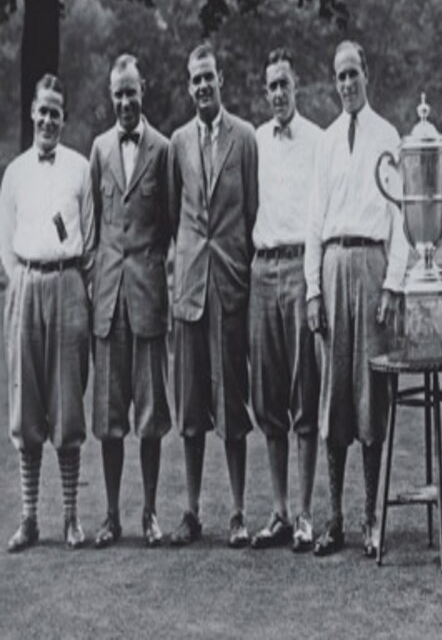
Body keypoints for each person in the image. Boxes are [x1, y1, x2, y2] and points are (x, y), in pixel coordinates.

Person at [304, 40, 408, 558]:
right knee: (333, 397)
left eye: (353, 74)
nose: (347, 84)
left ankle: (372, 516)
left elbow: (402, 220)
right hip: (333, 263)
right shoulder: (325, 141)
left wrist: (392, 284)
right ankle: (335, 518)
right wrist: (312, 290)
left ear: (368, 74)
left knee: (370, 395)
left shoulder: (387, 135)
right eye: (339, 76)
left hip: (370, 266)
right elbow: (313, 220)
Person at [168, 43, 259, 548]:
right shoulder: (178, 142)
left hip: (228, 288)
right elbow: (172, 215)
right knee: (191, 409)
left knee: (231, 407)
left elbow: (252, 212)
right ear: (189, 87)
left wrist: (237, 270)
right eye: (195, 80)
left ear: (220, 79)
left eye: (209, 78)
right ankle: (191, 510)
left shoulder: (243, 139)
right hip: (189, 292)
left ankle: (240, 513)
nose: (203, 86)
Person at [1, 74, 95, 551]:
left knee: (67, 403)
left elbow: (91, 238)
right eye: (42, 110)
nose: (48, 119)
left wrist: (75, 284)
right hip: (24, 285)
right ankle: (30, 517)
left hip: (68, 284)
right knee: (27, 403)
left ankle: (73, 519)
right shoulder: (14, 172)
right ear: (32, 112)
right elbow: (5, 241)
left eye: (56, 112)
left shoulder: (79, 169)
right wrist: (21, 281)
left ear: (65, 117)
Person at [89, 54, 173, 548]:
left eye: (132, 92)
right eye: (118, 93)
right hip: (107, 299)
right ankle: (112, 515)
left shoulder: (161, 149)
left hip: (147, 296)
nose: (125, 101)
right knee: (109, 414)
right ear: (111, 96)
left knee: (150, 415)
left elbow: (168, 221)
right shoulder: (99, 149)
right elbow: (98, 222)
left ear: (145, 90)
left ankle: (149, 513)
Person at [249, 48, 324, 552]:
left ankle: (304, 514)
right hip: (262, 270)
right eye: (271, 85)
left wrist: (314, 280)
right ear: (265, 91)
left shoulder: (317, 140)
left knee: (303, 396)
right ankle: (277, 511)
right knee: (268, 398)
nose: (278, 93)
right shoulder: (254, 141)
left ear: (296, 86)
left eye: (285, 84)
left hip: (300, 268)